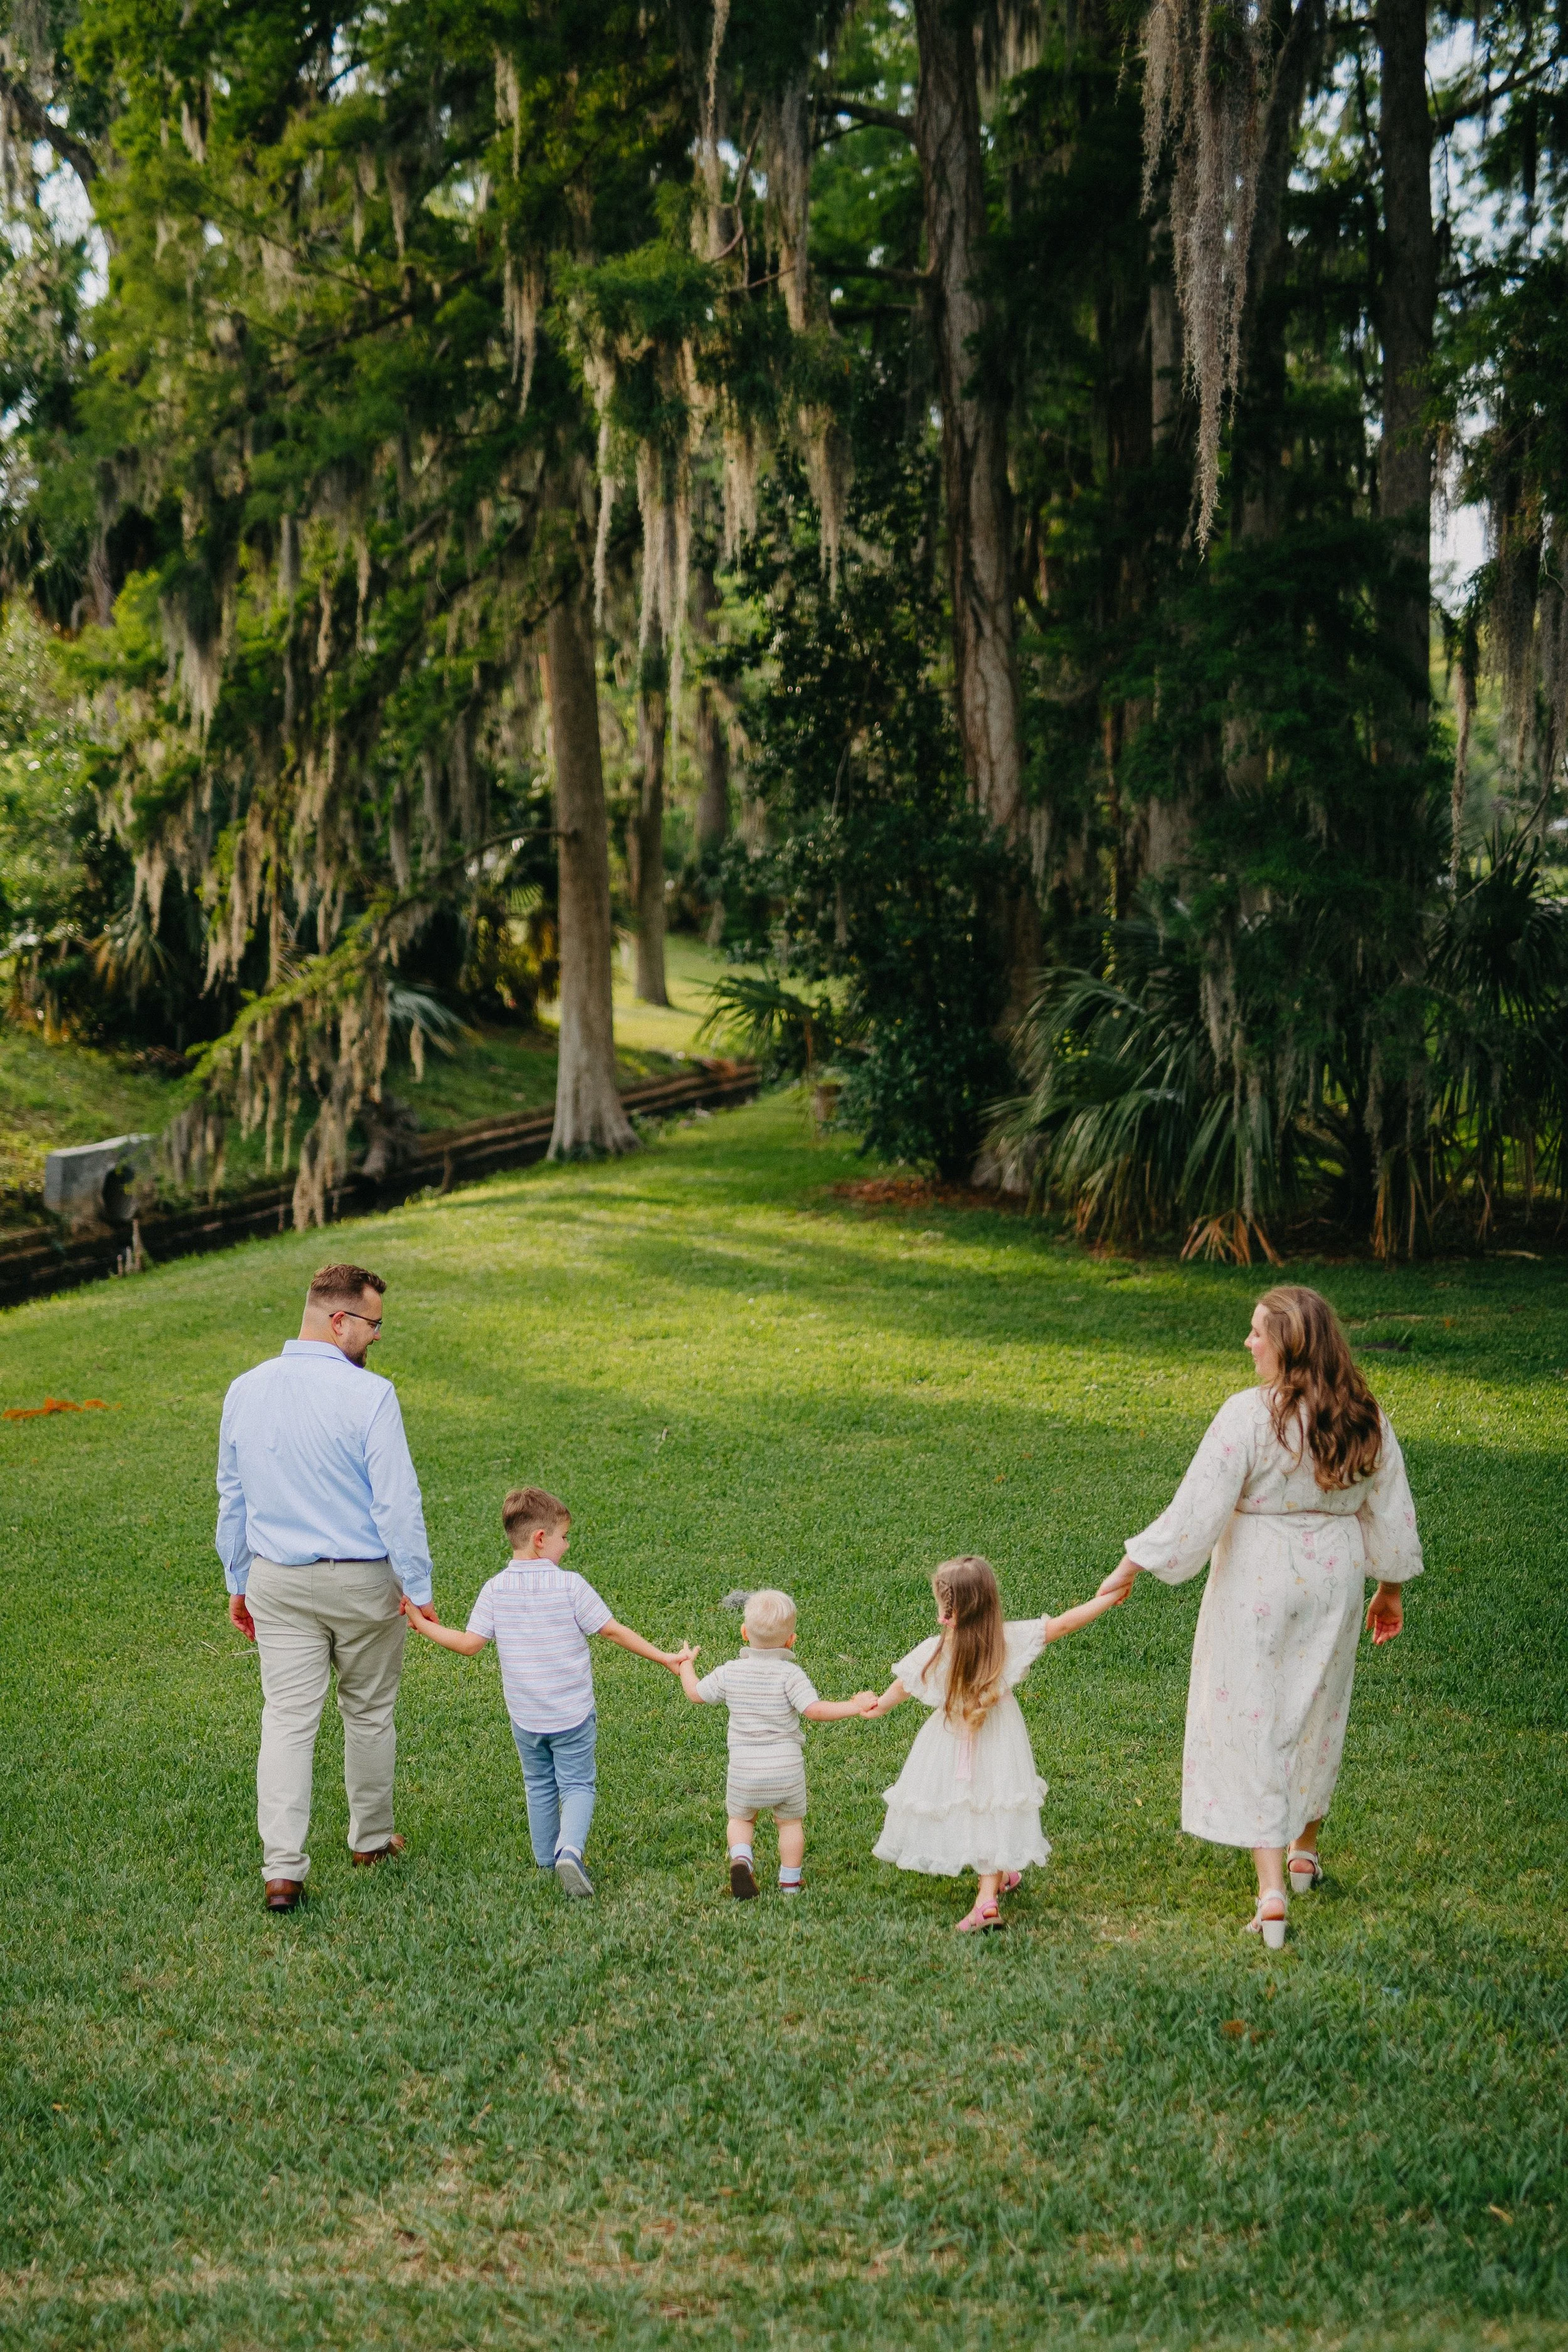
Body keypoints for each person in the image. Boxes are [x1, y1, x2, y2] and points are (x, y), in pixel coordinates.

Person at [1096, 1283, 1422, 1950]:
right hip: (1332, 1574)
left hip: (1257, 1576)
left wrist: (1132, 1564)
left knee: (1254, 1716)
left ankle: (1271, 1888)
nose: (1247, 1344)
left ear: (1288, 1345)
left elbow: (1196, 1510)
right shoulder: (1364, 1415)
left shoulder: (1248, 1416)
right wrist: (1387, 1589)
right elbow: (1389, 1509)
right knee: (1316, 1707)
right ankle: (1303, 1853)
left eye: (1256, 1334)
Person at [217, 1261, 433, 1913]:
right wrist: (418, 1588)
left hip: (275, 1581)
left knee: (286, 1721)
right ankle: (369, 1840)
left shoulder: (243, 1389)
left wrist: (237, 1579)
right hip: (365, 1582)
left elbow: (233, 1499)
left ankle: (282, 1870)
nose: (375, 1338)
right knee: (367, 1711)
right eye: (372, 1325)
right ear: (338, 1320)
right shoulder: (371, 1395)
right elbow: (398, 1502)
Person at [402, 1485, 689, 1898]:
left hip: (526, 1716)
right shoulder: (570, 1586)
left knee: (538, 1782)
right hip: (571, 1712)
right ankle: (568, 1852)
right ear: (541, 1539)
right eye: (564, 1537)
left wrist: (419, 1620)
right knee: (576, 1785)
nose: (566, 1546)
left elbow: (468, 1645)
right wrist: (664, 1657)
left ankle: (544, 1859)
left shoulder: (494, 1589)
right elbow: (611, 1630)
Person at [866, 1555, 1125, 1932]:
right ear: (989, 1602)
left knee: (970, 1803)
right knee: (995, 1804)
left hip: (951, 1740)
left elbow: (903, 1685)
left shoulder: (936, 1649)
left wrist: (876, 1707)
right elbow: (1065, 1623)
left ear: (946, 1609)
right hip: (1001, 1736)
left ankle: (987, 1901)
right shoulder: (1008, 1637)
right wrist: (1110, 1595)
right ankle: (992, 1889)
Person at [674, 1588, 878, 1899]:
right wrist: (855, 1705)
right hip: (786, 1769)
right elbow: (815, 1711)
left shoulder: (730, 1672)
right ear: (791, 1640)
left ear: (744, 1633)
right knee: (790, 1824)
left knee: (741, 1819)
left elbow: (695, 1694)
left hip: (744, 1770)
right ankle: (790, 1882)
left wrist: (686, 1663)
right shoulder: (790, 1674)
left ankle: (742, 1858)